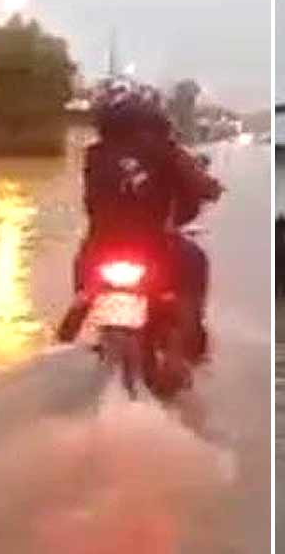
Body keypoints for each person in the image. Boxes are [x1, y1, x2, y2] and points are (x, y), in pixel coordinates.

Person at [58, 79, 223, 363]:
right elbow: (200, 186)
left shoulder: (94, 155)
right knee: (196, 261)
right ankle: (191, 340)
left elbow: (91, 201)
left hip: (100, 248)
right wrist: (212, 189)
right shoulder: (166, 150)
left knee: (83, 263)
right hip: (156, 249)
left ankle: (83, 301)